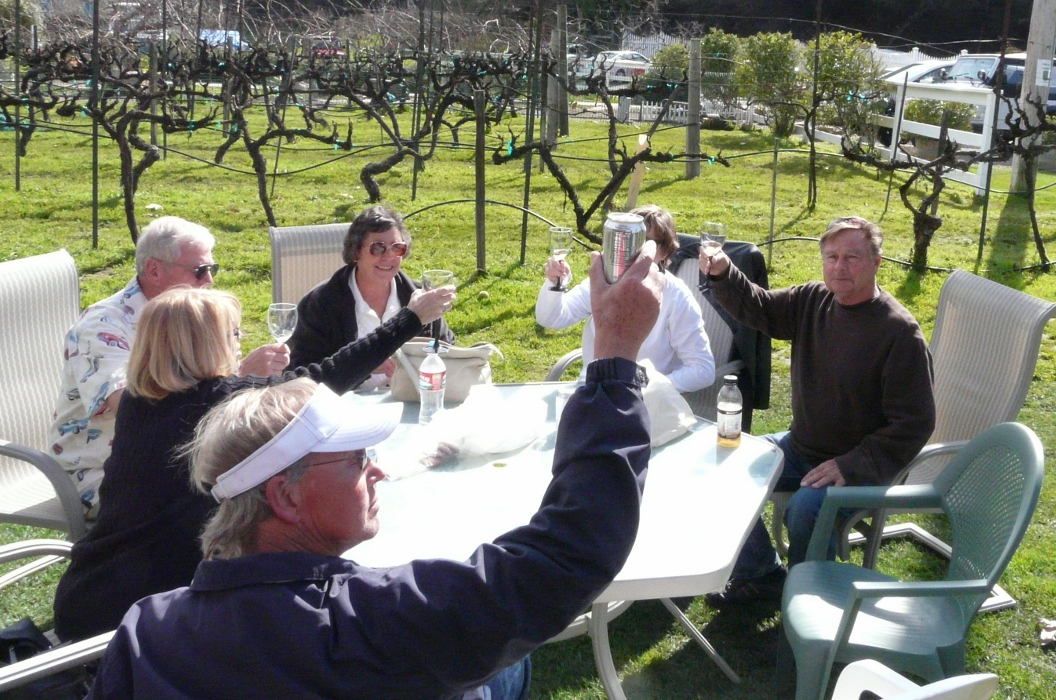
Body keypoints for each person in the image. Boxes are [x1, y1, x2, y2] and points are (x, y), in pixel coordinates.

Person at [87, 247, 662, 700]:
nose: (378, 471)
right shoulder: (381, 620)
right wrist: (613, 360)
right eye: (357, 459)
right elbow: (568, 553)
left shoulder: (147, 632)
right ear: (284, 498)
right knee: (507, 667)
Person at [52, 278, 455, 643]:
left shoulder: (139, 401)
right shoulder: (222, 402)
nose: (239, 341)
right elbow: (327, 377)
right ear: (204, 344)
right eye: (232, 333)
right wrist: (410, 319)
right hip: (142, 624)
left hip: (89, 590)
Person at [699, 216, 935, 604]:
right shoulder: (813, 300)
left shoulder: (899, 333)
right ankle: (762, 573)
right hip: (801, 448)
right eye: (832, 256)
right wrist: (724, 273)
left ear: (876, 262)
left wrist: (851, 464)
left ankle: (809, 600)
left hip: (860, 470)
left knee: (806, 508)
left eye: (852, 257)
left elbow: (915, 423)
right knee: (721, 466)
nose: (840, 267)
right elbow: (760, 306)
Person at [49, 216, 288, 515]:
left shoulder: (190, 317)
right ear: (154, 270)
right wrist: (240, 378)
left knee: (278, 483)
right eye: (199, 270)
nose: (209, 280)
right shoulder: (103, 327)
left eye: (211, 269)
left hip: (175, 456)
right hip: (104, 472)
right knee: (248, 505)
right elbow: (131, 404)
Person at [535, 205, 713, 392]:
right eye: (624, 240)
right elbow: (551, 319)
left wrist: (645, 390)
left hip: (645, 401)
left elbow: (702, 370)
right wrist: (555, 281)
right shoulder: (603, 282)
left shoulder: (676, 296)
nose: (630, 251)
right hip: (592, 392)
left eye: (642, 242)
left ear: (664, 251)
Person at [287, 206, 455, 387]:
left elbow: (449, 352)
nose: (388, 256)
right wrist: (362, 363)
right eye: (378, 248)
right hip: (344, 401)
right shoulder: (321, 304)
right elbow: (300, 376)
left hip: (410, 400)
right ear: (356, 252)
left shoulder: (418, 299)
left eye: (397, 248)